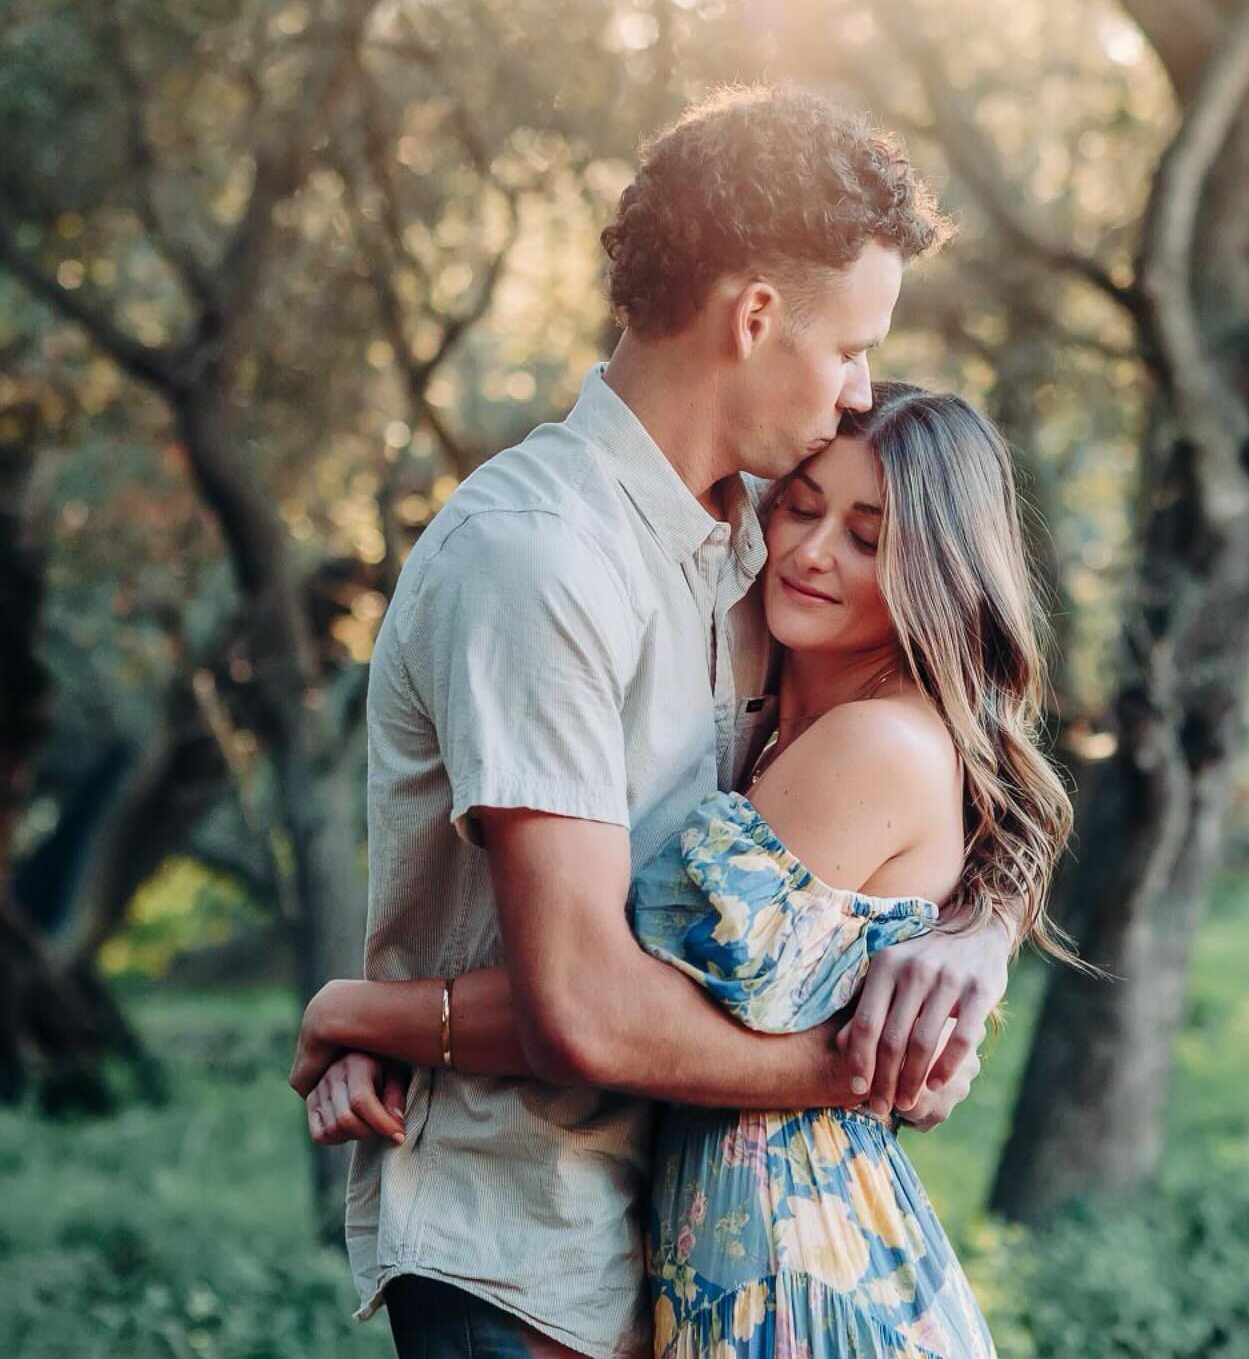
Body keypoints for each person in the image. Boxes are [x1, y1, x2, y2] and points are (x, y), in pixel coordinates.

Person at [290, 85, 1018, 1359]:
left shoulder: (757, 548)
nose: (858, 394)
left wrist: (978, 937)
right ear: (754, 316)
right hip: (530, 1258)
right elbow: (587, 1007)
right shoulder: (541, 560)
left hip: (691, 1256)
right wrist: (866, 1070)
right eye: (851, 346)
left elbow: (962, 733)